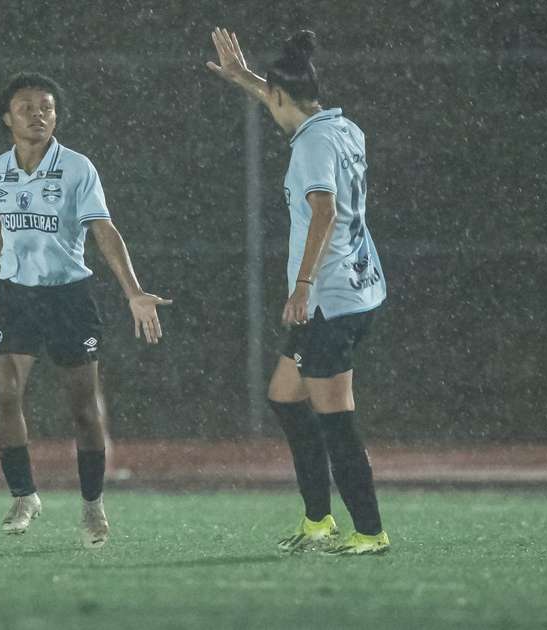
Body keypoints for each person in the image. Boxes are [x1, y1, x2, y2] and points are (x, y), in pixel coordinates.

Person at [207, 28, 391, 555]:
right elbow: (282, 99)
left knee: (336, 419)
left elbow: (324, 212)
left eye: (271, 96)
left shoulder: (310, 144)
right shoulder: (343, 128)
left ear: (284, 97)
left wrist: (303, 284)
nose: (269, 102)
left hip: (329, 299)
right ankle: (318, 522)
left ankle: (371, 532)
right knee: (286, 397)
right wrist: (244, 77)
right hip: (360, 287)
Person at [0, 72, 171, 549]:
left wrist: (134, 291)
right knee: (5, 392)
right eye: (26, 107)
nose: (38, 114)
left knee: (83, 409)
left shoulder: (78, 168)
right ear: (7, 118)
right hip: (17, 296)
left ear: (56, 116)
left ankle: (92, 505)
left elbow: (104, 230)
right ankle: (25, 495)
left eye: (46, 107)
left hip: (69, 297)